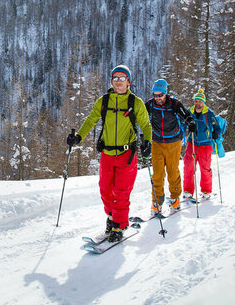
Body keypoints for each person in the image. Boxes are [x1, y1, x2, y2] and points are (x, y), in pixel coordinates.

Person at [66, 65, 152, 242]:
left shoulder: (135, 103)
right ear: (111, 81)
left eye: (122, 78)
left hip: (126, 154)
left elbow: (146, 125)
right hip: (107, 153)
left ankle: (119, 225)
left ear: (128, 82)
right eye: (115, 78)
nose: (118, 82)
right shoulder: (103, 101)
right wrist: (79, 137)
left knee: (121, 192)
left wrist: (147, 142)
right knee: (105, 190)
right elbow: (91, 119)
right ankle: (112, 216)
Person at [145, 79, 195, 216]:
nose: (158, 98)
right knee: (157, 174)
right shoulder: (150, 104)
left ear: (165, 93)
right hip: (156, 142)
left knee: (173, 171)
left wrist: (190, 122)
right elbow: (141, 117)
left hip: (173, 142)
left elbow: (186, 115)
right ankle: (157, 202)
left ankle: (175, 198)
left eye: (160, 95)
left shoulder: (174, 104)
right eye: (155, 95)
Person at [183, 89, 221, 201]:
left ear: (203, 102)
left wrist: (215, 133)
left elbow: (217, 127)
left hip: (206, 144)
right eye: (196, 101)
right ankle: (188, 191)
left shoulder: (209, 113)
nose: (197, 103)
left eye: (199, 101)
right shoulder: (190, 112)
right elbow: (183, 124)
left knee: (205, 168)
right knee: (188, 167)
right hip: (192, 142)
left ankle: (206, 191)